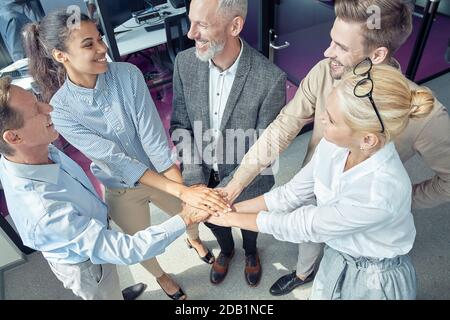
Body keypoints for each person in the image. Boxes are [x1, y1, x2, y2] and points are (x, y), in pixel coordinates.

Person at [221, 0, 450, 296]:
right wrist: (234, 187)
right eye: (331, 40)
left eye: (341, 46)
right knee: (310, 245)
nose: (327, 52)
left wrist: (403, 201)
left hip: (364, 217)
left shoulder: (425, 115)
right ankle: (303, 272)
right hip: (310, 188)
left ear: (377, 54)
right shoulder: (325, 72)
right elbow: (284, 126)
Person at [22, 10, 230, 300]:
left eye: (99, 39)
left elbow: (154, 140)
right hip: (121, 188)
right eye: (88, 44)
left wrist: (183, 192)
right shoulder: (62, 111)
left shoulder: (128, 75)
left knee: (191, 217)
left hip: (159, 174)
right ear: (60, 56)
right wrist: (182, 192)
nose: (102, 48)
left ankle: (193, 240)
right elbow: (115, 159)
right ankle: (162, 277)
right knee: (137, 245)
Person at [205, 63, 435, 299]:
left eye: (332, 120)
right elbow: (291, 194)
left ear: (367, 139)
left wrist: (229, 219)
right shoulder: (334, 145)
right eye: (326, 109)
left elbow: (302, 226)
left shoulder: (379, 193)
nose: (321, 118)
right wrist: (227, 207)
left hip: (375, 278)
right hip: (338, 253)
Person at [0, 77, 210, 300]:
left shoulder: (33, 151)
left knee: (113, 282)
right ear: (13, 137)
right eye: (36, 110)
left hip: (96, 233)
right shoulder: (44, 213)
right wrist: (185, 218)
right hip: (88, 268)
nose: (48, 107)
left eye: (38, 100)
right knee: (106, 293)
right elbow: (127, 250)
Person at [170, 0, 286, 287]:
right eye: (191, 21)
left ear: (235, 26)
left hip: (249, 180)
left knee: (248, 225)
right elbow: (180, 126)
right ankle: (226, 249)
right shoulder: (184, 63)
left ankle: (249, 252)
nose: (190, 34)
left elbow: (265, 147)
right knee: (213, 221)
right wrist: (196, 183)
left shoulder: (270, 79)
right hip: (203, 176)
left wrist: (229, 190)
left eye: (203, 25)